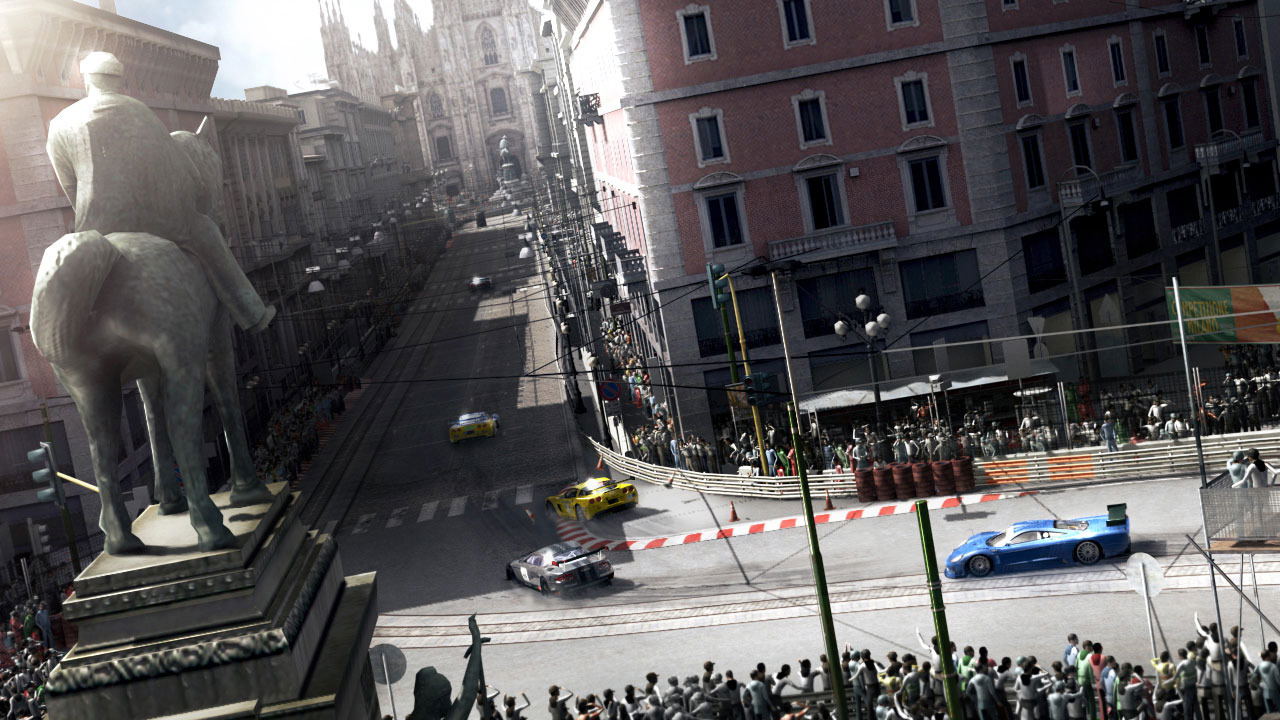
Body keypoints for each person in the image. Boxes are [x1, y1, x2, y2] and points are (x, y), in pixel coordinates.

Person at [45, 51, 274, 334]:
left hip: (98, 225)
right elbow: (181, 171)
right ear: (118, 81)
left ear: (87, 80)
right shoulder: (139, 111)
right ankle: (253, 313)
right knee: (206, 232)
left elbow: (70, 186)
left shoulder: (60, 123)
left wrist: (91, 220)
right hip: (160, 218)